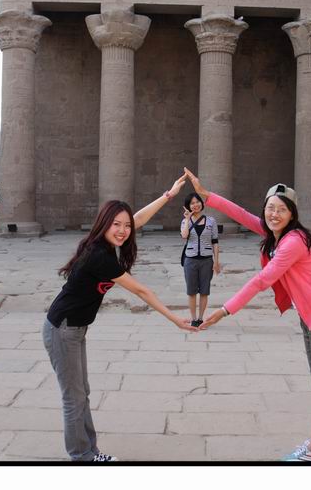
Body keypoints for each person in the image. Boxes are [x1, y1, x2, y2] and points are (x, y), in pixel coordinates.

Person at [186, 168, 311, 462]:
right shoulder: (279, 234)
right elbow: (243, 215)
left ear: (292, 213)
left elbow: (262, 280)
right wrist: (208, 197)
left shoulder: (293, 241)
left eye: (281, 209)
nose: (273, 214)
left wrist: (222, 311)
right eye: (270, 208)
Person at [43, 175, 196, 462]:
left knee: (81, 393)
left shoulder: (106, 244)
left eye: (126, 226)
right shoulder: (100, 256)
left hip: (73, 329)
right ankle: (82, 456)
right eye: (117, 224)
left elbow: (137, 218)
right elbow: (141, 290)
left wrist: (169, 195)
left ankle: (89, 450)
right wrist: (174, 319)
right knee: (73, 397)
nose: (124, 230)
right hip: (62, 329)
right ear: (104, 224)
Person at [180, 192, 221, 327]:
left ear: (201, 204)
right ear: (188, 206)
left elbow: (215, 241)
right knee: (191, 291)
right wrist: (187, 219)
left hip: (206, 260)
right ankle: (193, 319)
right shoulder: (185, 221)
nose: (195, 205)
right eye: (192, 203)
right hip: (190, 260)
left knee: (204, 291)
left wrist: (216, 261)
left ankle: (200, 318)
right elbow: (184, 236)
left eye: (197, 202)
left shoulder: (211, 221)